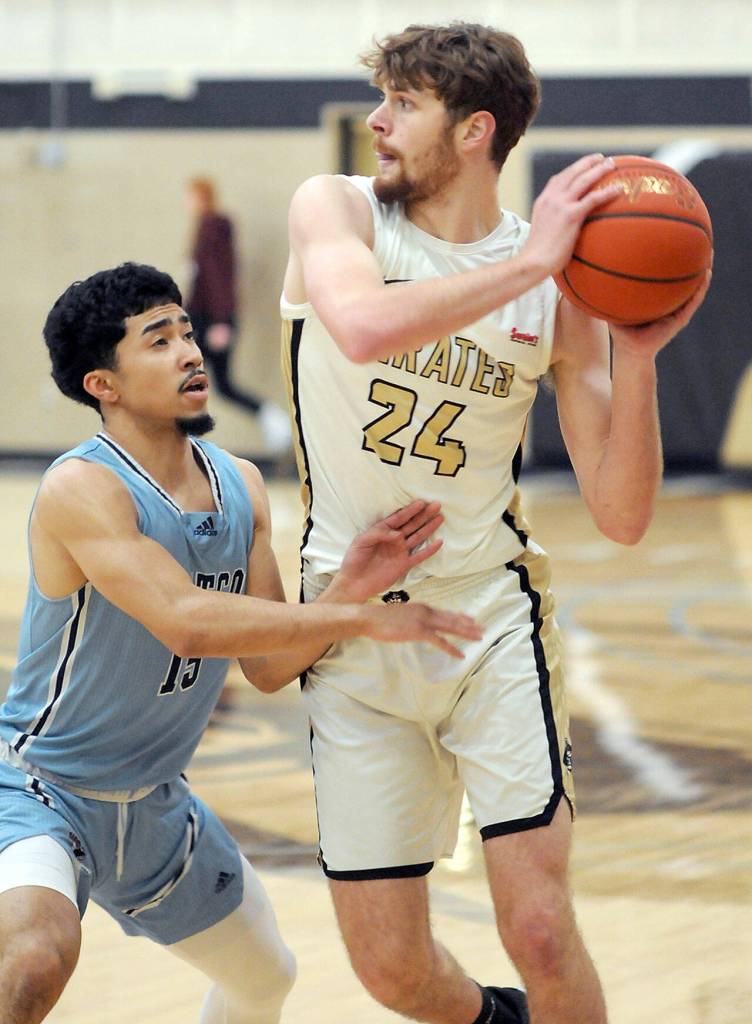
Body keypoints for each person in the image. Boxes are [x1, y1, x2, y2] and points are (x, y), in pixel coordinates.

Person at [281, 21, 710, 1024]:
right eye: (380, 101)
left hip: (487, 620)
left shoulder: (557, 290)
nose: (378, 125)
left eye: (403, 104)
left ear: (475, 131)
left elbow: (621, 511)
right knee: (390, 969)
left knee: (541, 929)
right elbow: (360, 324)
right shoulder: (336, 210)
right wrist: (532, 269)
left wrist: (636, 354)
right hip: (348, 620)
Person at [0, 262, 482, 1024]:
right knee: (35, 957)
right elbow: (185, 618)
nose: (190, 352)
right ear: (105, 385)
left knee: (266, 980)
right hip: (40, 792)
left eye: (187, 332)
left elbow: (265, 666)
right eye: (159, 341)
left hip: (158, 803)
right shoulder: (82, 488)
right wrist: (356, 621)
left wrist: (349, 588)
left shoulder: (240, 485)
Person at [186, 177, 292, 457]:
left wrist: (221, 320)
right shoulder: (204, 227)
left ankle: (271, 417)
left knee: (213, 383)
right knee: (207, 383)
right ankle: (270, 417)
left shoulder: (214, 226)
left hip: (210, 319)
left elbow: (219, 276)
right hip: (203, 317)